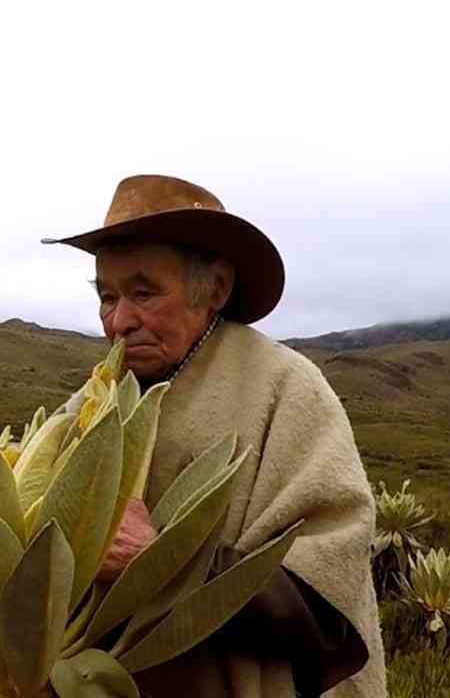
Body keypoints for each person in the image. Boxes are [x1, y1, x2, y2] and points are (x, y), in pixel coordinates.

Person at [44, 175, 386, 697]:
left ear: (216, 289)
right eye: (107, 297)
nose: (118, 322)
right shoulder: (92, 404)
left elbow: (325, 607)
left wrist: (158, 562)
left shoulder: (286, 389)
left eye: (144, 292)